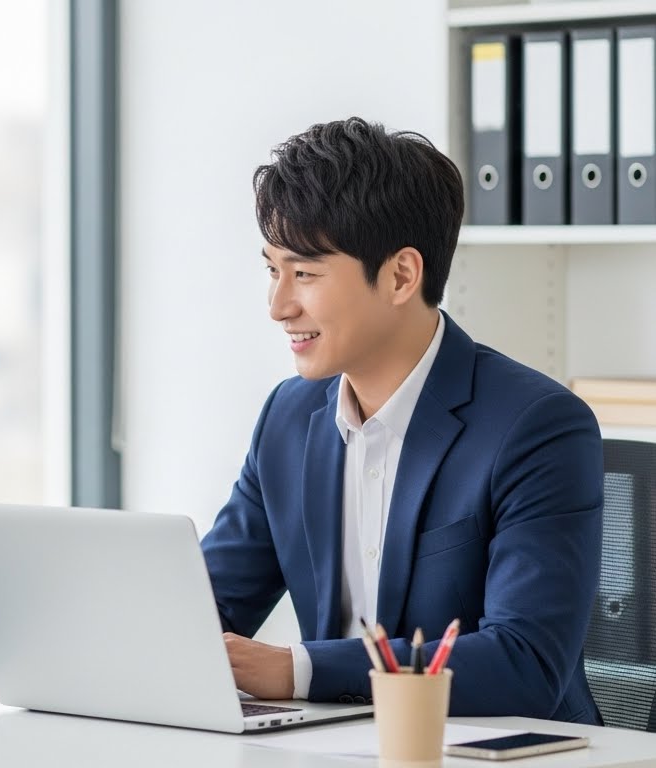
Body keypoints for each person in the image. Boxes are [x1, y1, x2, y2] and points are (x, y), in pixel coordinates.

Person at [202, 117, 603, 722]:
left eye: (304, 273)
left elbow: (524, 664)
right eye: (272, 269)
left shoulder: (537, 427)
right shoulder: (289, 418)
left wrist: (299, 670)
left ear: (401, 276)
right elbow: (202, 609)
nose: (278, 305)